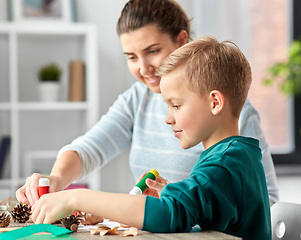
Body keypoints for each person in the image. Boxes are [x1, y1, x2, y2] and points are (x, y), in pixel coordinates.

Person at [16, 0, 278, 206]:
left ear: (181, 41)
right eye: (131, 57)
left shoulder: (229, 114)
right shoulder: (136, 99)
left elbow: (265, 199)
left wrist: (80, 199)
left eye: (152, 51)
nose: (144, 68)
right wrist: (56, 179)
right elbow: (88, 149)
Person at [31, 36, 271, 239]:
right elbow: (204, 211)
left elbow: (171, 213)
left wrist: (76, 197)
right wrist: (174, 192)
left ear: (215, 102)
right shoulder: (236, 155)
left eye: (176, 105)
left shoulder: (225, 163)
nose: (168, 118)